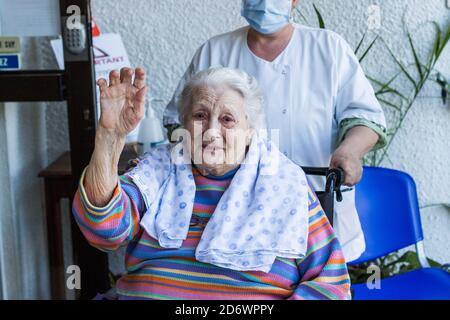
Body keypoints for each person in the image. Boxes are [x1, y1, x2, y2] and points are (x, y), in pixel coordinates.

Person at [72, 66, 351, 300]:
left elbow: (331, 282)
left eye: (227, 119)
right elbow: (104, 231)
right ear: (183, 123)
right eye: (200, 116)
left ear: (250, 132)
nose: (212, 131)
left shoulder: (285, 182)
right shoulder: (157, 171)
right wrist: (110, 136)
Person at [163, 0, 387, 262]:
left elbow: (364, 117)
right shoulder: (215, 51)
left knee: (320, 279)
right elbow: (178, 122)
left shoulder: (329, 48)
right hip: (232, 211)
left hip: (316, 202)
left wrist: (350, 152)